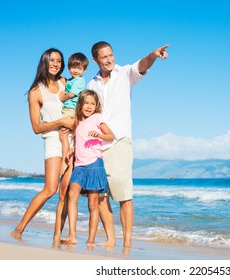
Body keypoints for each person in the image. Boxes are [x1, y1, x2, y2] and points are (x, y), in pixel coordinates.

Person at [87, 41, 169, 248]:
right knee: (100, 196)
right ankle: (110, 238)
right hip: (96, 146)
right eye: (104, 57)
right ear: (96, 60)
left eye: (111, 55)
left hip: (119, 141)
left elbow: (141, 66)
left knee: (124, 195)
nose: (109, 60)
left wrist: (153, 55)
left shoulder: (124, 73)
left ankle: (127, 243)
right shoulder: (91, 84)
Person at [10, 48, 75, 242]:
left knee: (66, 191)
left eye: (59, 61)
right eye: (52, 60)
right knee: (50, 189)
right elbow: (36, 127)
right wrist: (60, 123)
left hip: (72, 140)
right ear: (44, 62)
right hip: (53, 140)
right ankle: (19, 229)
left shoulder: (66, 83)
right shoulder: (36, 91)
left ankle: (58, 236)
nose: (55, 64)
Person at [61, 89, 115, 246]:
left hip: (94, 165)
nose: (89, 106)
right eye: (86, 103)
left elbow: (110, 136)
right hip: (79, 166)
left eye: (93, 103)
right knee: (72, 194)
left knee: (93, 204)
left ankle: (91, 239)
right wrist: (72, 148)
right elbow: (79, 139)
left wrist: (99, 135)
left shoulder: (97, 118)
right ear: (80, 104)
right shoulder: (77, 122)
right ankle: (72, 235)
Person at [59, 52, 89, 175]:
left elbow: (71, 94)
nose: (76, 70)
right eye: (73, 67)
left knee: (63, 135)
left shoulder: (79, 81)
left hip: (71, 110)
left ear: (84, 70)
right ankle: (69, 158)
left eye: (79, 68)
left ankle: (64, 163)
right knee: (70, 136)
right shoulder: (72, 80)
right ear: (69, 67)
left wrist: (62, 96)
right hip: (71, 110)